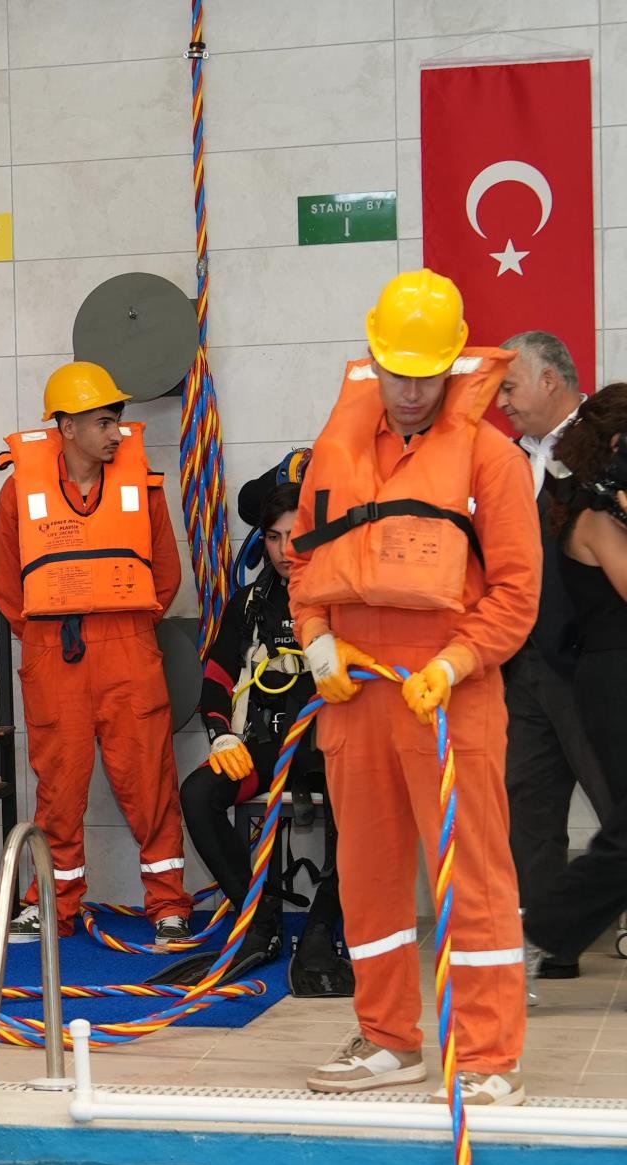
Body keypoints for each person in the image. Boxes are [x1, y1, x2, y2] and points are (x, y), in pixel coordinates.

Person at [290, 271, 539, 1105]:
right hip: (354, 692)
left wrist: (453, 665)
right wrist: (316, 643)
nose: (408, 391)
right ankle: (390, 1038)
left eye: (425, 375)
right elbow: (307, 567)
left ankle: (490, 1055)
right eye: (396, 371)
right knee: (366, 874)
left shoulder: (492, 459)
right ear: (375, 357)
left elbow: (517, 596)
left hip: (450, 692)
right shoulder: (337, 450)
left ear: (454, 365)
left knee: (473, 877)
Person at [0, 361, 193, 942]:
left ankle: (169, 905)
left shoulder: (143, 488)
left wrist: (123, 624)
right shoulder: (18, 493)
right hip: (53, 651)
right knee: (58, 786)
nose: (116, 434)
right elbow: (8, 586)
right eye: (104, 422)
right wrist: (47, 637)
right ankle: (53, 904)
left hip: (129, 646)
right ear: (67, 427)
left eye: (117, 422)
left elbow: (165, 574)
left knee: (150, 780)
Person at [171, 468, 348, 996]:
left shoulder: (346, 599)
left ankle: (321, 928)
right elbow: (216, 679)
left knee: (362, 808)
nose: (285, 549)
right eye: (274, 537)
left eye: (296, 535)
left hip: (335, 750)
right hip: (266, 750)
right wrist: (222, 736)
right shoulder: (248, 604)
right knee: (198, 793)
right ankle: (259, 915)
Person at [495, 330, 608, 983]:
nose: (502, 402)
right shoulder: (506, 459)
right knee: (527, 804)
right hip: (523, 665)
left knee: (616, 799)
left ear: (549, 379)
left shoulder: (607, 443)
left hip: (596, 662)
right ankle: (548, 940)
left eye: (509, 387)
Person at [519, 386, 627, 965]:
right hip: (611, 679)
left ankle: (546, 933)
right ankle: (544, 932)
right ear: (618, 443)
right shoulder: (593, 516)